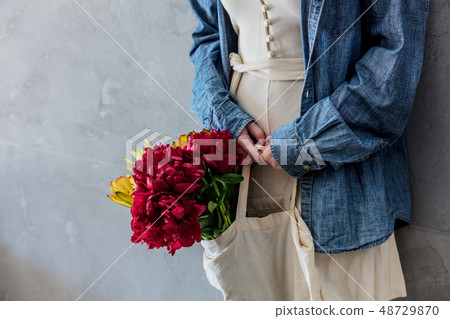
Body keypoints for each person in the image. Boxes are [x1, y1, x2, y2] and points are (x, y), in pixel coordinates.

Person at [188, 0, 431, 300]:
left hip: (341, 180)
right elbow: (209, 37)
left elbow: (392, 72)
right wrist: (223, 117)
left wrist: (301, 142)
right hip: (243, 175)